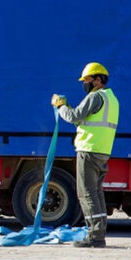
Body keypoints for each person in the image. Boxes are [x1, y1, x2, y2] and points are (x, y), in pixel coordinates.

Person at [51, 62, 119, 248]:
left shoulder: (95, 96)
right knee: (96, 193)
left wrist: (60, 107)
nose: (84, 84)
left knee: (86, 193)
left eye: (87, 80)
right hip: (102, 150)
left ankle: (95, 236)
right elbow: (85, 120)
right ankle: (99, 231)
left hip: (88, 150)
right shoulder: (111, 98)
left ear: (98, 80)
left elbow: (74, 116)